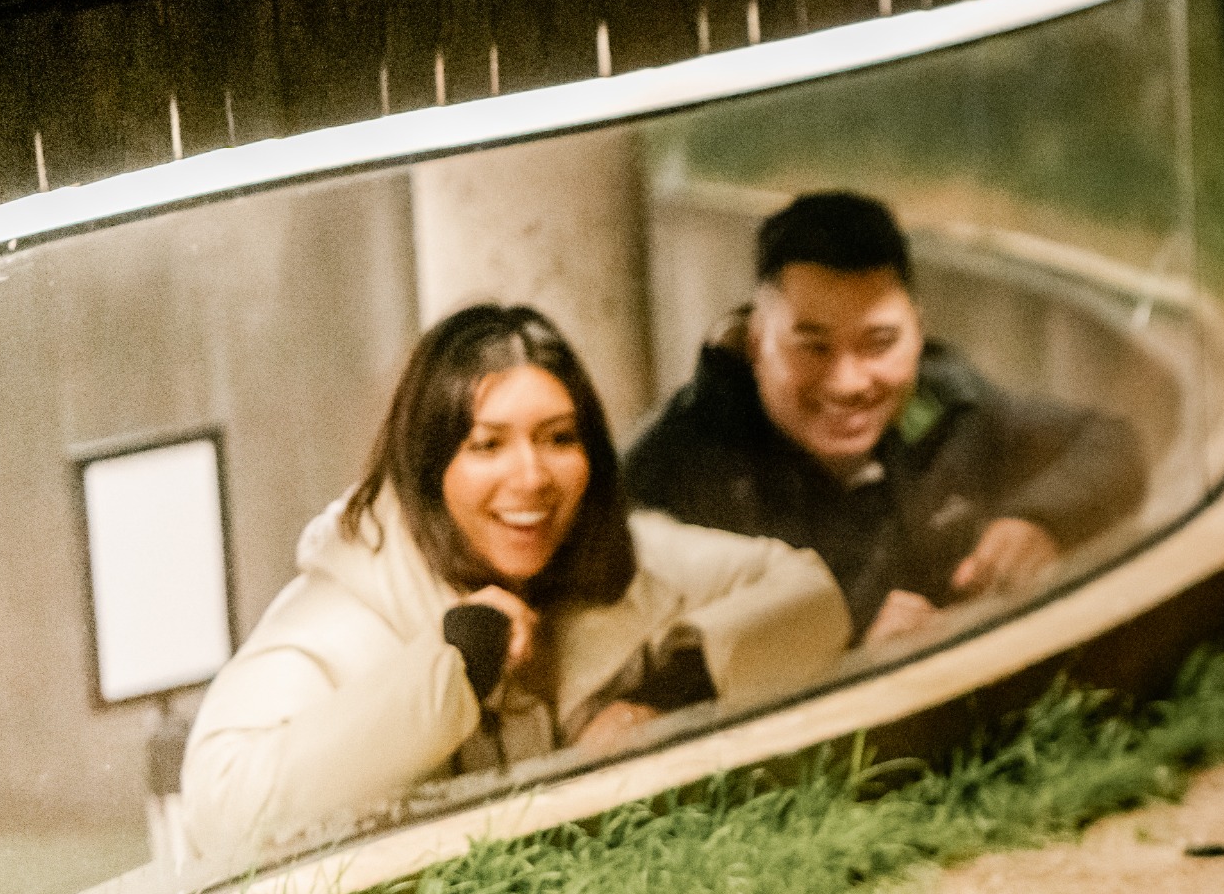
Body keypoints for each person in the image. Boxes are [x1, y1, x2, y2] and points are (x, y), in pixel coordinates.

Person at [182, 306, 850, 862]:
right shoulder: (342, 612)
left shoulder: (616, 557)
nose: (531, 477)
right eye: (487, 445)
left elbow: (806, 591)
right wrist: (454, 668)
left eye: (558, 438)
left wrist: (672, 687)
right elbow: (222, 807)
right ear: (427, 466)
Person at [623, 191, 1149, 648]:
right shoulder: (675, 470)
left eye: (880, 343)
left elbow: (1110, 442)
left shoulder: (947, 406)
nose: (850, 383)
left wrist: (1038, 521)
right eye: (813, 348)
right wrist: (846, 660)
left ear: (918, 331)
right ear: (756, 341)